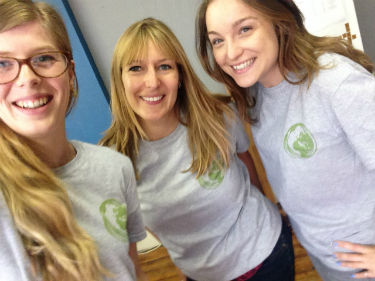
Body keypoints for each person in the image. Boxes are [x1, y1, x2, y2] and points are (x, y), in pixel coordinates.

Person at [100, 17, 295, 281]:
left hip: (266, 258)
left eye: (164, 66)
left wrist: (268, 207)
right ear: (119, 79)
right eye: (136, 68)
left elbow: (245, 160)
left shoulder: (218, 117)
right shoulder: (111, 160)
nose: (152, 82)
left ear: (179, 76)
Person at [196, 0, 375, 280]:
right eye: (217, 40)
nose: (230, 52)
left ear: (279, 22)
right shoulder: (256, 93)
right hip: (329, 260)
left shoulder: (335, 82)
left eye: (244, 29)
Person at [0, 1, 147, 280]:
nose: (27, 78)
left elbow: (133, 268)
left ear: (69, 73)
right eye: (2, 63)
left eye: (43, 58)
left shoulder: (115, 167)